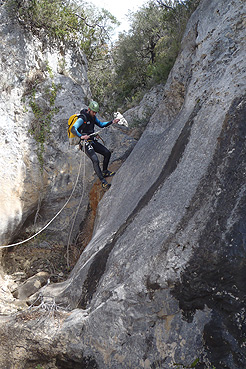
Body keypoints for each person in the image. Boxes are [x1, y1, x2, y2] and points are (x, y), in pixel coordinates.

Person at [71, 101, 120, 190]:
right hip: (84, 143)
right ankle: (103, 182)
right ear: (89, 109)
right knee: (95, 160)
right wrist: (81, 136)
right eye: (93, 112)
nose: (94, 114)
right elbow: (73, 128)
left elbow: (101, 125)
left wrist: (112, 121)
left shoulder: (93, 117)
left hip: (92, 140)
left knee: (107, 153)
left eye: (95, 112)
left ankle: (105, 171)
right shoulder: (83, 118)